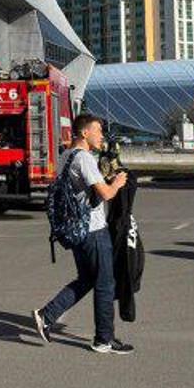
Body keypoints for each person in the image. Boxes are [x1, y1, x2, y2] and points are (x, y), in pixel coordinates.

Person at [32, 114, 134, 354]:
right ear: (84, 133)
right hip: (93, 231)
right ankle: (104, 339)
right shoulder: (85, 159)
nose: (101, 136)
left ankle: (47, 315)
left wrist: (105, 181)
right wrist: (118, 181)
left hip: (76, 228)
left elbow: (85, 191)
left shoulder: (65, 156)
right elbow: (107, 194)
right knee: (105, 284)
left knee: (87, 278)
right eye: (98, 131)